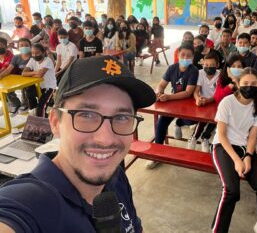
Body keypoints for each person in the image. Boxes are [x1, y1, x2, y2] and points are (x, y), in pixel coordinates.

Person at [0, 55, 156, 232]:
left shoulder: (116, 177)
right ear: (55, 123)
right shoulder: (28, 203)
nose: (105, 139)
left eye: (122, 117)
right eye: (86, 115)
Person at [211, 67, 257, 233]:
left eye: (254, 84)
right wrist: (237, 160)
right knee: (231, 191)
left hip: (244, 147)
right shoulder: (227, 102)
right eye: (246, 83)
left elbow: (253, 136)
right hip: (223, 147)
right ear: (238, 83)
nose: (249, 86)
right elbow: (221, 135)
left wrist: (247, 156)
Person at [147, 43, 199, 169]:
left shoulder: (194, 71)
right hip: (173, 103)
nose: (185, 58)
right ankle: (157, 154)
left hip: (189, 105)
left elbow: (188, 93)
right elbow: (161, 84)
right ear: (178, 54)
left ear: (192, 57)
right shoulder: (172, 68)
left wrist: (169, 97)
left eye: (189, 56)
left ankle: (179, 123)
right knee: (161, 123)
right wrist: (159, 92)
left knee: (190, 121)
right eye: (183, 55)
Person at [188, 52, 220, 152]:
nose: (209, 67)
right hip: (203, 102)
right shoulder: (200, 73)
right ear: (203, 64)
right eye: (206, 65)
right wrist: (198, 98)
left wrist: (208, 100)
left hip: (216, 102)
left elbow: (218, 94)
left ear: (217, 65)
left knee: (216, 118)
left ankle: (205, 137)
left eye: (212, 65)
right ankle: (194, 137)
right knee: (202, 118)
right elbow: (196, 91)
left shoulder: (220, 75)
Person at [22, 44, 57, 117]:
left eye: (37, 53)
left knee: (41, 107)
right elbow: (23, 73)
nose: (35, 55)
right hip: (38, 85)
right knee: (30, 96)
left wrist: (31, 74)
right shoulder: (32, 60)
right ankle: (38, 116)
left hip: (49, 87)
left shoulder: (47, 60)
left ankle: (40, 124)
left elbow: (40, 75)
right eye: (33, 53)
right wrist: (35, 72)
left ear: (43, 53)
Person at [0, 38, 32, 112]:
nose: (24, 47)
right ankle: (15, 104)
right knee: (5, 87)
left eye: (26, 45)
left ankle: (26, 104)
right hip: (20, 78)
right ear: (17, 47)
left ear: (30, 46)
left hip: (32, 79)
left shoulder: (33, 56)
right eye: (21, 45)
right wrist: (1, 76)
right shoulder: (16, 57)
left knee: (26, 89)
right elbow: (8, 69)